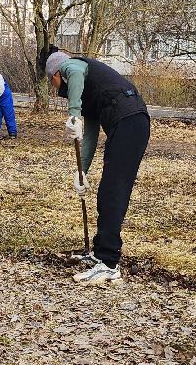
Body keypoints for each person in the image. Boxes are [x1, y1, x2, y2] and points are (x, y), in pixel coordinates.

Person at [45, 50, 151, 285]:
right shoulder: (91, 92)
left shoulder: (73, 66)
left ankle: (109, 263)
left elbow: (74, 72)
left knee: (113, 192)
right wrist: (81, 171)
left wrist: (73, 114)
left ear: (56, 74)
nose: (54, 89)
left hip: (130, 122)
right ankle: (101, 253)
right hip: (127, 124)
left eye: (52, 82)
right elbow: (90, 135)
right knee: (106, 192)